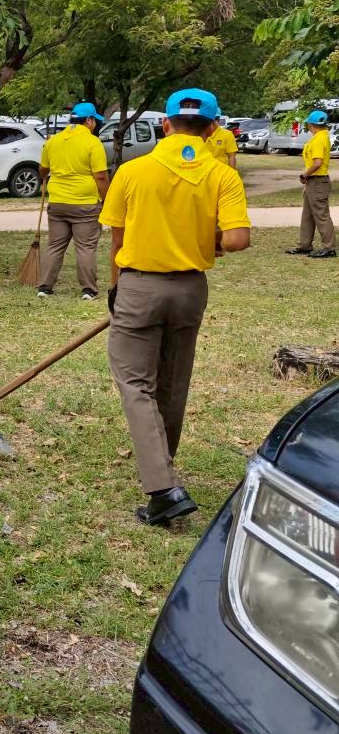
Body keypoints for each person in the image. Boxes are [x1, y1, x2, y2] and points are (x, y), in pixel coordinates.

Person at [100, 88, 251, 526]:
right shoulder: (223, 175)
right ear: (213, 127)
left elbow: (117, 239)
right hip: (189, 291)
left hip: (138, 286)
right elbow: (237, 239)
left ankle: (163, 489)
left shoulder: (132, 171)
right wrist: (212, 239)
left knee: (135, 383)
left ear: (165, 124)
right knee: (172, 383)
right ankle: (164, 469)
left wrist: (116, 288)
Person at [37, 102, 110, 300]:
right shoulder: (92, 142)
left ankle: (44, 287)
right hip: (85, 203)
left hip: (58, 202)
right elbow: (101, 176)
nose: (95, 125)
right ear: (89, 120)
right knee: (85, 247)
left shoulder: (53, 140)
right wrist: (107, 199)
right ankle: (88, 290)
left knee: (55, 245)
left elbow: (42, 169)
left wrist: (45, 174)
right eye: (95, 121)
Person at [285, 109, 335, 258]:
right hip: (314, 181)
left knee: (321, 215)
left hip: (317, 181)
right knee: (307, 215)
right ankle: (305, 245)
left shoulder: (319, 139)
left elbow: (317, 163)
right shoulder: (320, 137)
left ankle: (329, 248)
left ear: (310, 124)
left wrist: (304, 176)